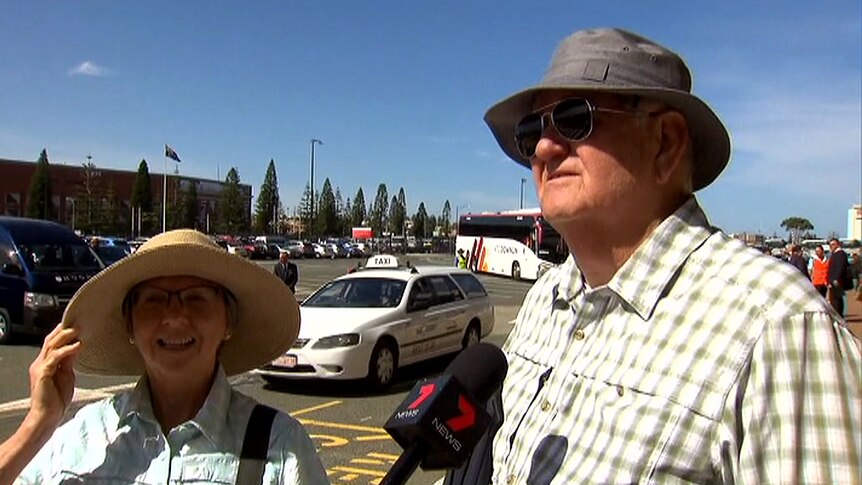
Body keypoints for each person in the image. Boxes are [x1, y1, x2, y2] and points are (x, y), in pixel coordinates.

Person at [465, 27, 861, 484]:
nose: (544, 148)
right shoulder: (544, 301)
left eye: (576, 118)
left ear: (665, 142)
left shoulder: (779, 328)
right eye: (531, 130)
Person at [0, 229, 329, 484]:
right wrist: (37, 423)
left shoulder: (280, 447)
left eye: (196, 299)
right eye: (154, 300)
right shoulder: (84, 438)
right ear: (129, 324)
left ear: (227, 321)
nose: (174, 316)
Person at [827, 237, 851, 316]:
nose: (831, 246)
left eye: (833, 244)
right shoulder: (835, 254)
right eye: (830, 245)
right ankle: (838, 314)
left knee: (837, 299)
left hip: (837, 280)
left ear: (838, 244)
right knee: (835, 299)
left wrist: (836, 278)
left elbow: (840, 267)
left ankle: (838, 315)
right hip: (833, 280)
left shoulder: (840, 254)